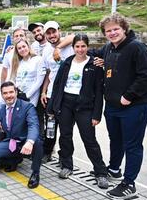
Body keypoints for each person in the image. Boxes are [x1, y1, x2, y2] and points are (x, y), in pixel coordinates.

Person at [97, 13, 147, 198]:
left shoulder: (137, 47)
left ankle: (129, 183)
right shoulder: (109, 48)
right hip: (113, 106)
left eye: (116, 29)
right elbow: (94, 54)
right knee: (116, 139)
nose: (112, 33)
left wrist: (129, 96)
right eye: (109, 30)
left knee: (132, 144)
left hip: (135, 105)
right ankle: (114, 169)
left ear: (124, 28)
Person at [47, 34, 109, 189]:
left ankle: (100, 172)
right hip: (66, 104)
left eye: (83, 46)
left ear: (87, 47)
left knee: (89, 139)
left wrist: (96, 114)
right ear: (73, 47)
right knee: (65, 136)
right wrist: (52, 108)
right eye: (77, 46)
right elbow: (57, 86)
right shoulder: (67, 62)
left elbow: (99, 91)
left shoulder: (94, 65)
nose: (80, 49)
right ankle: (67, 165)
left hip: (85, 107)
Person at [0, 81, 44, 189]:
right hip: (12, 141)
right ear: (2, 95)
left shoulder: (27, 107)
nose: (9, 95)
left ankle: (35, 173)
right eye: (5, 93)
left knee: (37, 142)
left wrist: (30, 142)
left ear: (16, 92)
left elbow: (33, 125)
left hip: (26, 141)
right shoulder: (1, 111)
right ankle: (14, 160)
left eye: (11, 92)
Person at [40, 21, 74, 161]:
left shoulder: (70, 44)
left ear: (59, 30)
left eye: (54, 32)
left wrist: (58, 48)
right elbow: (48, 72)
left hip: (68, 93)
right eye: (48, 33)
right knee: (50, 126)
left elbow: (74, 36)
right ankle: (48, 152)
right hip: (52, 94)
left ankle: (65, 159)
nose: (52, 35)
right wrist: (43, 92)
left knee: (66, 131)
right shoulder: (46, 50)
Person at [9, 40, 45, 107]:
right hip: (18, 97)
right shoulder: (17, 63)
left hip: (31, 98)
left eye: (24, 46)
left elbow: (39, 81)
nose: (22, 49)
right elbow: (13, 79)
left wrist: (27, 95)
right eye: (19, 48)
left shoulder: (38, 60)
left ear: (28, 47)